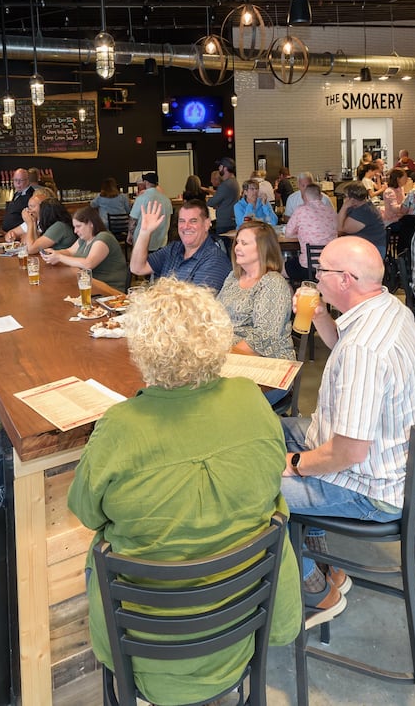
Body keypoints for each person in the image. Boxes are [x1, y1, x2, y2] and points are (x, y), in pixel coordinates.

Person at [67, 278, 300, 705]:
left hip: (145, 652)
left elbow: (85, 511)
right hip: (243, 628)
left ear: (140, 347)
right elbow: (270, 477)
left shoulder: (120, 426)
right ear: (218, 336)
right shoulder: (250, 400)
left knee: (97, 554)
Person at [280, 237, 415, 628]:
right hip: (390, 464)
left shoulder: (364, 349)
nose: (315, 279)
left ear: (345, 279)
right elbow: (340, 343)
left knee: (248, 486)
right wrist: (317, 317)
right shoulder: (387, 308)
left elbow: (347, 454)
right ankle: (321, 555)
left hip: (370, 489)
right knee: (264, 430)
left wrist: (293, 465)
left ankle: (316, 591)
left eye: (322, 272)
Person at [219, 222, 294, 361]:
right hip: (227, 353)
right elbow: (215, 313)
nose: (237, 248)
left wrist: (222, 358)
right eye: (237, 243)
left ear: (262, 249)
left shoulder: (272, 282)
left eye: (244, 243)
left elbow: (264, 338)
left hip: (264, 362)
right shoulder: (233, 277)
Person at [129, 197, 232, 291]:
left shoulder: (215, 261)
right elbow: (137, 268)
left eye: (193, 221)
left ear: (206, 224)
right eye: (182, 221)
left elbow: (195, 307)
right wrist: (144, 232)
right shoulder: (173, 249)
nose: (186, 226)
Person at [44, 206, 129, 291]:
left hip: (109, 290)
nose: (75, 231)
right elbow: (69, 251)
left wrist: (59, 257)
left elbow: (88, 264)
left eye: (78, 226)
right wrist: (53, 253)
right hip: (90, 285)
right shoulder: (84, 238)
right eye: (74, 227)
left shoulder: (104, 237)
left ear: (91, 223)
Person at [281, 184, 338, 281]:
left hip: (307, 268)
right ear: (320, 196)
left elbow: (288, 233)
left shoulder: (300, 210)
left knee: (279, 268)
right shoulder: (331, 211)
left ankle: (297, 293)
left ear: (304, 197)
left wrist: (300, 233)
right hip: (330, 267)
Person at [336, 181, 387, 258]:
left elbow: (340, 229)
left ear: (352, 199)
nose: (344, 199)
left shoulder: (364, 211)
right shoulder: (359, 207)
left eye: (345, 196)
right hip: (363, 247)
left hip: (372, 251)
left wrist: (344, 207)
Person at [128, 173, 172, 252]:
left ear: (146, 182)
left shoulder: (141, 198)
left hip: (142, 241)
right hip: (161, 242)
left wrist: (130, 234)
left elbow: (133, 219)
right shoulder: (166, 200)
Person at [1, 168, 37, 234]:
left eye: (21, 180)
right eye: (15, 180)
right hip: (8, 234)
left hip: (20, 235)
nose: (18, 183)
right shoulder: (17, 193)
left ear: (28, 180)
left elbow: (32, 218)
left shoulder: (32, 196)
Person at [207, 164, 240, 237]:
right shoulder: (234, 182)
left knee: (223, 245)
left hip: (224, 222)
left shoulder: (225, 185)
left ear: (225, 169)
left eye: (220, 167)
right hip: (232, 219)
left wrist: (211, 202)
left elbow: (212, 202)